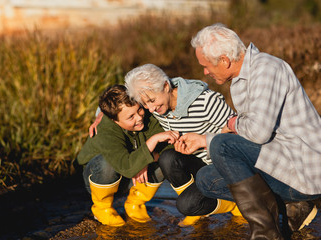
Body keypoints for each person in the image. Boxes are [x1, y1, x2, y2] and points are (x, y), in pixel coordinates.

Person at [175, 23, 321, 239]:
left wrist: (231, 124)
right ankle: (294, 206)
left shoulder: (267, 69)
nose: (205, 72)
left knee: (221, 146)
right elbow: (255, 134)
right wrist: (204, 140)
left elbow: (258, 132)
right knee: (206, 179)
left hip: (304, 171)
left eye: (206, 66)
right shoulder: (240, 79)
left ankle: (266, 234)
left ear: (224, 60)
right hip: (282, 162)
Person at [124, 63, 242, 227]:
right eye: (146, 104)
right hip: (199, 166)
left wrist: (203, 139)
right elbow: (119, 103)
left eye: (152, 101)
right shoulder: (157, 106)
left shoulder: (206, 102)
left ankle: (235, 202)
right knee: (168, 158)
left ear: (166, 86)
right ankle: (199, 211)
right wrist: (100, 114)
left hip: (225, 168)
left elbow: (239, 134)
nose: (150, 109)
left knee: (186, 206)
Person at [75, 84, 179, 227]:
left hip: (131, 179)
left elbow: (168, 147)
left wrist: (145, 161)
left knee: (165, 159)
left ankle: (135, 204)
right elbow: (127, 166)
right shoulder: (106, 129)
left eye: (139, 109)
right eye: (131, 117)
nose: (139, 118)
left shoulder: (147, 116)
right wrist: (152, 142)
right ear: (115, 121)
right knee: (107, 164)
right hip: (99, 178)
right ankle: (102, 208)